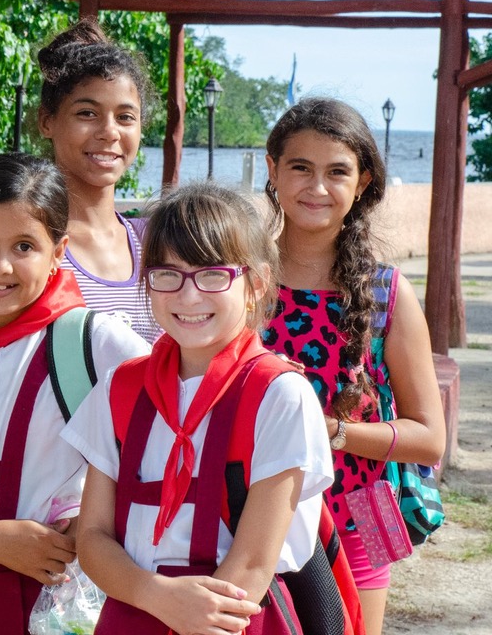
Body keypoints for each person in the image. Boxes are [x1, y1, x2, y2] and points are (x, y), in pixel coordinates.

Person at [67, 182, 333, 634]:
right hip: (133, 609)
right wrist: (155, 594)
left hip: (235, 619)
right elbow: (92, 538)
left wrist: (188, 616)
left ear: (257, 283)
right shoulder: (120, 388)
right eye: (167, 274)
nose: (188, 296)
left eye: (212, 275)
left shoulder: (279, 395)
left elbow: (251, 564)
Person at [0, 152, 150, 634]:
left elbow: (170, 451)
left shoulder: (99, 346)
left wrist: (96, 525)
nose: (0, 266)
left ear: (60, 251)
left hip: (63, 609)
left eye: (24, 247)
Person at [261, 97, 446, 635]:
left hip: (359, 518)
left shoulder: (389, 295)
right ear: (272, 169)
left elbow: (429, 438)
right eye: (300, 167)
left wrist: (331, 433)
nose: (317, 187)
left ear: (362, 181)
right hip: (247, 514)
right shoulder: (240, 281)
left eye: (337, 171)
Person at [36, 18, 161, 343]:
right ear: (47, 121)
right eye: (87, 113)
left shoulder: (155, 244)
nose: (109, 132)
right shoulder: (30, 241)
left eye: (125, 117)